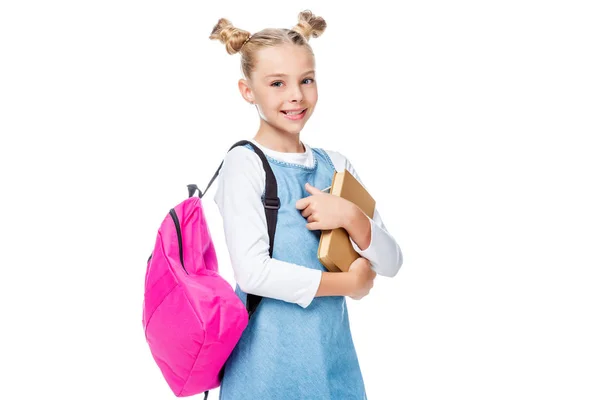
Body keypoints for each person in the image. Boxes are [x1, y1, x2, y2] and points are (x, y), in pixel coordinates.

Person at [209, 10, 403, 400]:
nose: (296, 95)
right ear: (248, 91)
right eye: (277, 83)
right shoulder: (244, 163)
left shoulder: (336, 166)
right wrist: (348, 283)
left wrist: (349, 215)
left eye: (306, 80)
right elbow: (253, 274)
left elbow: (392, 262)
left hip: (333, 364)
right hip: (265, 368)